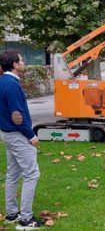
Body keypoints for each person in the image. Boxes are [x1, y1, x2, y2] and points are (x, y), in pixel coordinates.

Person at [0, 51, 42, 229]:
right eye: (21, 59)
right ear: (15, 65)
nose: (23, 61)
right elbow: (17, 116)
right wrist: (31, 135)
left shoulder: (3, 81)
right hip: (17, 134)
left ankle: (11, 214)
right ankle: (25, 219)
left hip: (7, 133)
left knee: (13, 174)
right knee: (32, 174)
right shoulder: (11, 84)